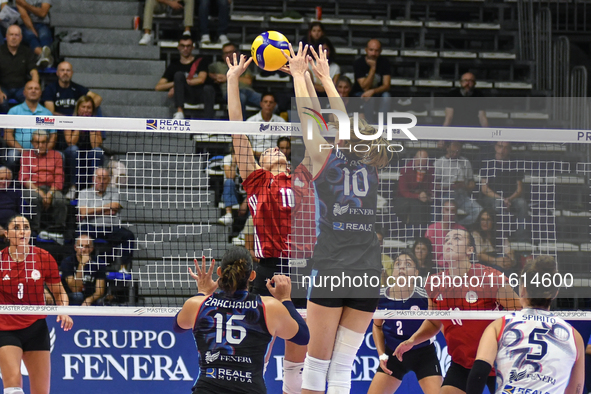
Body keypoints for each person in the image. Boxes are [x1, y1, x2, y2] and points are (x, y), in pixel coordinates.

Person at [288, 42, 392, 394]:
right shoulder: (374, 166)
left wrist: (302, 77)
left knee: (316, 364)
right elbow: (330, 119)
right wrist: (324, 79)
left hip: (333, 266)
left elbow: (309, 118)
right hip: (367, 268)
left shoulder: (325, 160)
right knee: (343, 366)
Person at [227, 54, 307, 394]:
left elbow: (313, 123)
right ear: (259, 161)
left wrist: (300, 78)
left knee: (300, 344)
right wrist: (233, 80)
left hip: (304, 266)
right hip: (266, 268)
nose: (275, 149)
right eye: (268, 151)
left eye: (280, 150)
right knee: (255, 346)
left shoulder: (302, 178)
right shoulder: (257, 181)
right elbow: (236, 131)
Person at [394, 228, 520, 394]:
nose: (449, 242)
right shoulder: (434, 283)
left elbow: (520, 313)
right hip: (462, 363)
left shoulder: (490, 278)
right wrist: (412, 340)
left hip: (497, 362)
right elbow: (434, 321)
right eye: (446, 240)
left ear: (470, 250)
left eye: (456, 238)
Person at [175, 248, 310, 394]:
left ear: (219, 272)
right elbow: (303, 336)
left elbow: (178, 326)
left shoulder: (198, 305)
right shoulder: (268, 307)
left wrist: (202, 292)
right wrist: (285, 299)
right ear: (252, 276)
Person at [466, 255, 584, 394]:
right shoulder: (574, 337)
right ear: (555, 293)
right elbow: (575, 391)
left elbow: (478, 374)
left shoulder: (500, 326)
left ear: (522, 289)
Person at [0, 215, 73, 394]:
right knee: (13, 386)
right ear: (6, 234)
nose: (22, 231)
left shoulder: (43, 257)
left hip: (36, 327)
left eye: (25, 227)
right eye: (16, 227)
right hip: (5, 328)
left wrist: (63, 310)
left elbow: (59, 292)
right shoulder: (0, 261)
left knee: (41, 391)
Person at [369, 252, 442, 394]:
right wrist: (382, 355)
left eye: (407, 264)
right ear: (392, 272)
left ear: (415, 273)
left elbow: (435, 325)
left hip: (424, 354)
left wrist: (412, 341)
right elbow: (377, 326)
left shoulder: (424, 296)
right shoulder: (381, 297)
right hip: (394, 354)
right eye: (398, 264)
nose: (402, 267)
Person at [78, 167, 135, 271]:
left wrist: (93, 211)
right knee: (79, 235)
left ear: (108, 180)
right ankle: (81, 266)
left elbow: (115, 208)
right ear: (93, 179)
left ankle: (123, 268)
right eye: (98, 178)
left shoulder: (115, 192)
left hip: (111, 228)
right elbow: (84, 213)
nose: (101, 182)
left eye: (104, 179)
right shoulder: (84, 193)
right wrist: (106, 208)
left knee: (128, 236)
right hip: (91, 227)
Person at [155, 34, 215, 120]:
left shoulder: (201, 61)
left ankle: (209, 123)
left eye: (188, 46)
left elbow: (201, 79)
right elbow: (158, 87)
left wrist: (180, 83)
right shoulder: (174, 65)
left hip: (200, 93)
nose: (185, 49)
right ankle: (180, 112)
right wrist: (176, 84)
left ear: (193, 47)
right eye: (183, 46)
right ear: (179, 47)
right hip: (186, 95)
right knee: (178, 75)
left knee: (209, 89)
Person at [19, 129, 67, 233]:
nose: (40, 145)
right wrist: (40, 192)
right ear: (32, 143)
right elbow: (24, 178)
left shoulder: (56, 155)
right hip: (33, 188)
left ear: (47, 142)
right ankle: (34, 229)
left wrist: (49, 194)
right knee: (35, 198)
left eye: (43, 142)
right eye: (37, 142)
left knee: (60, 199)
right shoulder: (26, 156)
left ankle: (58, 228)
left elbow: (59, 178)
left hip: (51, 188)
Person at [4, 80, 57, 174]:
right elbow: (8, 136)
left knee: (60, 156)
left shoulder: (47, 113)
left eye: (36, 89)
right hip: (20, 151)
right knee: (12, 156)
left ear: (40, 93)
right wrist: (24, 152)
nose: (33, 91)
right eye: (30, 88)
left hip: (42, 151)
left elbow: (53, 136)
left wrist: (44, 151)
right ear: (24, 92)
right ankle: (12, 184)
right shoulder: (14, 111)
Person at [479, 141, 529, 241]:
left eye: (506, 148)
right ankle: (499, 238)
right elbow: (484, 189)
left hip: (511, 198)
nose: (502, 150)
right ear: (495, 147)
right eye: (500, 147)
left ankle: (522, 238)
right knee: (499, 204)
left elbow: (519, 189)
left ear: (510, 150)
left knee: (522, 204)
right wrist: (502, 199)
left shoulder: (515, 164)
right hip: (492, 198)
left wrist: (509, 199)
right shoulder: (488, 163)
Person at [62, 96, 105, 198]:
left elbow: (96, 144)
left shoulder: (95, 122)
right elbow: (71, 142)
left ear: (92, 110)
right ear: (78, 108)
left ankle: (92, 188)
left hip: (89, 155)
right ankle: (73, 187)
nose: (86, 110)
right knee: (73, 149)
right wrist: (79, 123)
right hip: (73, 156)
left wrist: (90, 125)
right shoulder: (69, 120)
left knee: (97, 151)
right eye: (83, 107)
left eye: (89, 108)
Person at [434, 141, 482, 226]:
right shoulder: (438, 163)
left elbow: (472, 184)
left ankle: (459, 226)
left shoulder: (465, 162)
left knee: (479, 211)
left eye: (457, 152)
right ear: (447, 148)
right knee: (447, 213)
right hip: (445, 196)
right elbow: (434, 186)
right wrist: (449, 187)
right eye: (453, 151)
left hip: (463, 196)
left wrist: (464, 186)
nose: (455, 154)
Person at [208, 43, 262, 118]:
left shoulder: (242, 65)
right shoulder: (217, 66)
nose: (229, 55)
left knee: (267, 101)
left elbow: (248, 81)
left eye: (231, 52)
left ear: (236, 53)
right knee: (241, 98)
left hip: (247, 91)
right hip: (230, 93)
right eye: (226, 53)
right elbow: (208, 74)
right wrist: (215, 77)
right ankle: (241, 125)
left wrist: (228, 78)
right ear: (222, 55)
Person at [0, 25, 39, 114]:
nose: (14, 38)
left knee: (31, 100)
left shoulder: (27, 52)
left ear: (21, 38)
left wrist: (34, 87)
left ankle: (26, 126)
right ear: (6, 37)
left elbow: (34, 71)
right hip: (3, 87)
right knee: (3, 103)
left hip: (21, 88)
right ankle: (6, 127)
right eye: (11, 35)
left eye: (16, 35)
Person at [352, 39, 392, 120]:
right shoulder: (359, 63)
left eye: (376, 51)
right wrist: (373, 68)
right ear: (366, 50)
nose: (373, 53)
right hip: (360, 93)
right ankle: (369, 124)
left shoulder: (385, 62)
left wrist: (373, 91)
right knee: (369, 97)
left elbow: (387, 85)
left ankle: (382, 125)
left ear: (380, 51)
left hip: (377, 92)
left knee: (387, 96)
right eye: (371, 50)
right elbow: (365, 87)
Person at [61, 234, 106, 306]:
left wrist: (89, 299)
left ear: (92, 249)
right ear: (75, 247)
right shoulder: (67, 262)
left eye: (87, 246)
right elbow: (75, 289)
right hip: (71, 297)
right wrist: (82, 264)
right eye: (81, 246)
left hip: (90, 297)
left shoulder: (99, 263)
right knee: (78, 296)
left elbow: (99, 291)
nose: (84, 249)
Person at [394, 149, 433, 225]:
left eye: (423, 165)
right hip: (405, 199)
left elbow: (431, 186)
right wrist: (418, 196)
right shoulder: (406, 170)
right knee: (416, 206)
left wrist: (428, 195)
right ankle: (412, 231)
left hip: (424, 198)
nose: (421, 168)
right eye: (419, 164)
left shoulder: (431, 169)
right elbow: (404, 192)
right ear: (415, 159)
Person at [471, 208, 515, 273]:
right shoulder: (475, 234)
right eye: (482, 219)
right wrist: (496, 261)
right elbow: (479, 255)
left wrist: (510, 260)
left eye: (488, 220)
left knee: (505, 263)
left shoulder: (499, 234)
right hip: (483, 265)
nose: (485, 223)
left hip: (500, 263)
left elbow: (509, 250)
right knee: (500, 268)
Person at [424, 200, 465, 267]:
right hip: (435, 267)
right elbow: (427, 253)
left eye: (452, 210)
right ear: (442, 210)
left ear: (456, 213)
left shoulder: (462, 231)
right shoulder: (432, 229)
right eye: (447, 210)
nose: (449, 213)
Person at [246, 93, 285, 159]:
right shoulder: (250, 121)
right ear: (261, 104)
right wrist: (255, 154)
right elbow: (245, 143)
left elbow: (284, 143)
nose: (268, 104)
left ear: (275, 105)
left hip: (275, 158)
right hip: (254, 157)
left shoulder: (281, 122)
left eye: (271, 102)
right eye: (265, 102)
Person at [15, 0, 53, 68]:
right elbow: (24, 16)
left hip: (42, 23)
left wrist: (25, 5)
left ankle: (43, 57)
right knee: (30, 35)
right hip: (25, 24)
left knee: (44, 34)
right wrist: (32, 29)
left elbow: (42, 13)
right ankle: (44, 56)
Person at [218, 148, 247, 226]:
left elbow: (255, 186)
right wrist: (233, 164)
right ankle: (228, 215)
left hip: (247, 195)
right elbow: (230, 176)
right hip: (232, 192)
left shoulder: (251, 161)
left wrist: (246, 202)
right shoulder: (228, 158)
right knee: (229, 182)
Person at [0, 167, 21, 238]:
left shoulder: (16, 192)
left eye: (6, 179)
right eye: (1, 179)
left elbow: (22, 212)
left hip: (13, 226)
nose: (3, 182)